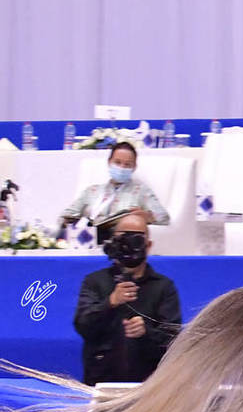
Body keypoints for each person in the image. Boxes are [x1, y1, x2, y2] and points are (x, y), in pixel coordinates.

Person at [73, 212, 181, 385]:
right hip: (102, 381)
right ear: (114, 242)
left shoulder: (163, 287)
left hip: (148, 383)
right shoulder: (95, 282)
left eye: (136, 238)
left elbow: (173, 339)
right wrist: (110, 302)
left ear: (148, 244)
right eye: (124, 238)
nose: (130, 244)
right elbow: (82, 325)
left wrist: (146, 332)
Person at [59, 142, 171, 233]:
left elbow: (164, 218)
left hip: (123, 242)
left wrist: (148, 217)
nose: (122, 167)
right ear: (109, 162)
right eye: (117, 162)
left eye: (127, 164)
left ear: (134, 167)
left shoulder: (142, 191)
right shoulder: (92, 191)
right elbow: (66, 215)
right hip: (89, 240)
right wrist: (72, 222)